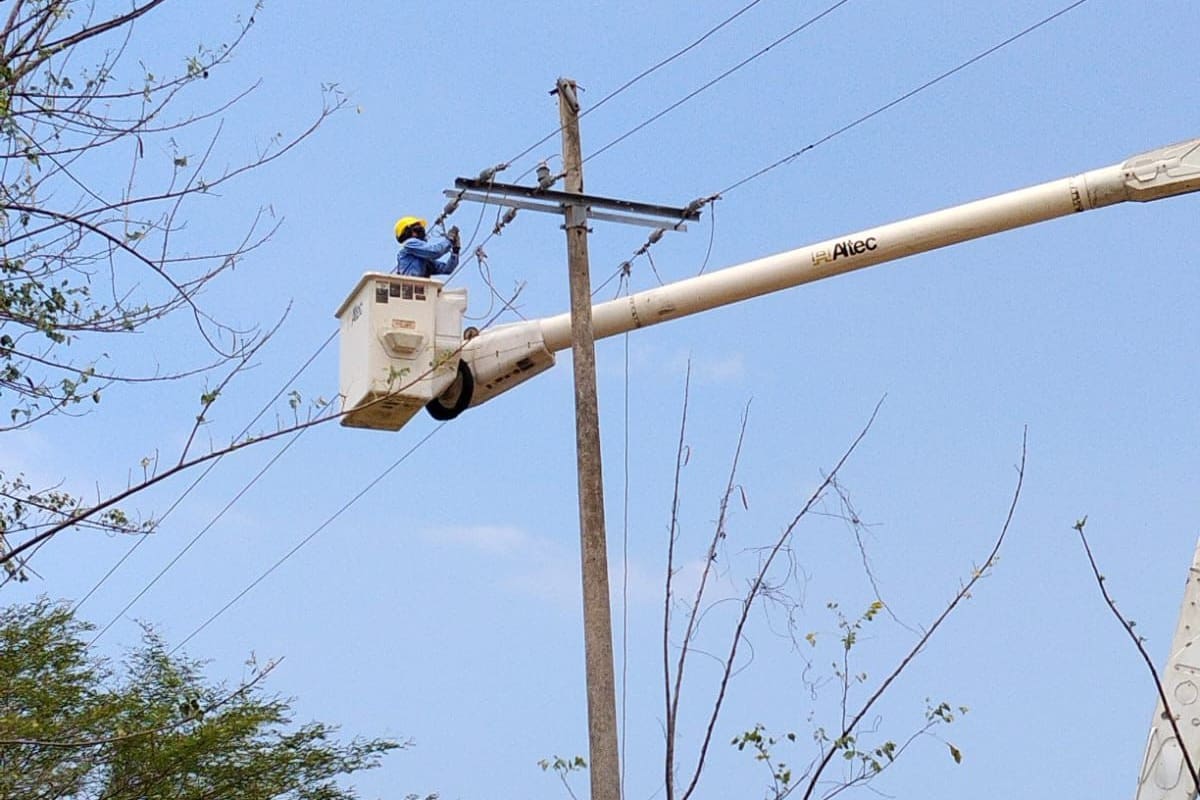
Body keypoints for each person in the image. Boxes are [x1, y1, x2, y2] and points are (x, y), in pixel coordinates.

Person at [393, 216, 460, 278]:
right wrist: (450, 240)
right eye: (417, 229)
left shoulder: (423, 258)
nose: (422, 232)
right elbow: (435, 252)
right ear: (408, 232)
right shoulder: (409, 244)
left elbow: (447, 269)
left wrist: (455, 250)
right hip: (410, 284)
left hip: (418, 285)